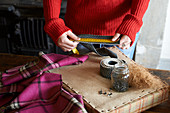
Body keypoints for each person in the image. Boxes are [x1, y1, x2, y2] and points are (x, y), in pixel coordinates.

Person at [43, 0, 150, 59]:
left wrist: (133, 21)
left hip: (121, 34)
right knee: (78, 86)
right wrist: (53, 21)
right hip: (77, 35)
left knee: (117, 88)